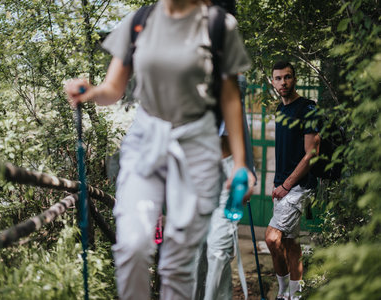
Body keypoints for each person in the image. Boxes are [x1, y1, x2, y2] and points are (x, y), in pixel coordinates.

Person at [64, 0, 252, 299]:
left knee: (178, 264)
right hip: (146, 140)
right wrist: (91, 92)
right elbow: (112, 89)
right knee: (132, 246)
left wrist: (241, 164)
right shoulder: (140, 20)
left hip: (197, 143)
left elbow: (230, 97)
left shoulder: (218, 25)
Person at [193, 74, 257, 300]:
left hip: (228, 174)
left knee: (218, 249)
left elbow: (244, 140)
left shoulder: (234, 107)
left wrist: (249, 176)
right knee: (197, 254)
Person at [265, 61, 320, 300]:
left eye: (287, 77)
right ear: (273, 81)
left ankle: (282, 294)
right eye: (278, 78)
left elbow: (312, 154)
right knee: (290, 243)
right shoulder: (280, 109)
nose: (283, 83)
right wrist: (280, 184)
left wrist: (286, 185)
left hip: (297, 187)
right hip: (283, 185)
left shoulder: (308, 108)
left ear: (294, 79)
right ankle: (294, 295)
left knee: (271, 238)